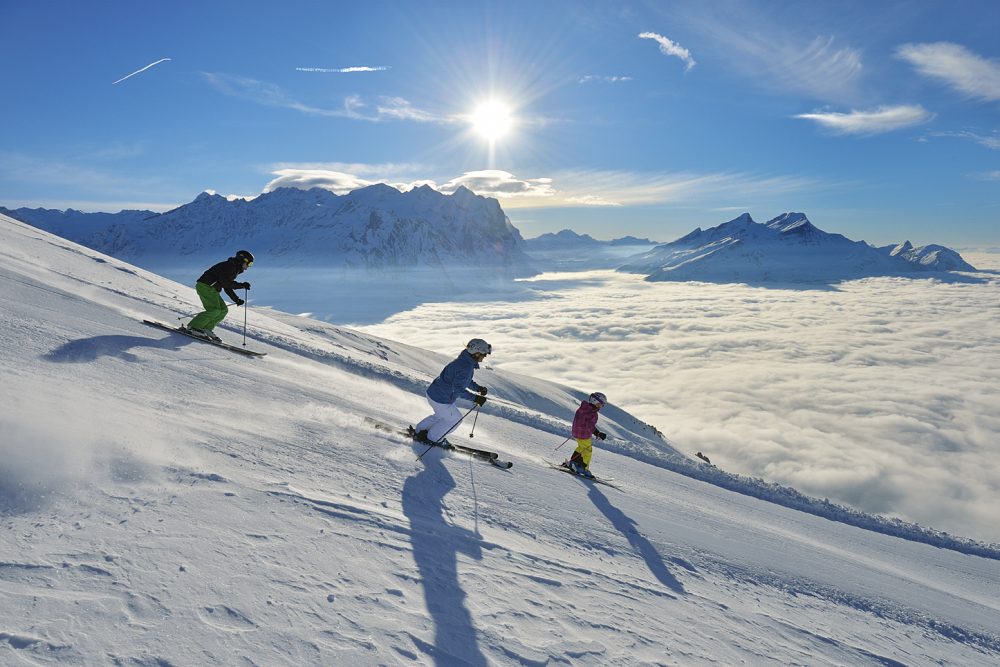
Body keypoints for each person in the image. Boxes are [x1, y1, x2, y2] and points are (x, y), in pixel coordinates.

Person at [411, 339, 491, 446]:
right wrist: (475, 398)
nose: (484, 357)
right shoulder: (465, 367)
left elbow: (463, 380)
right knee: (455, 419)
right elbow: (458, 389)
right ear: (476, 353)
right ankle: (433, 438)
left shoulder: (464, 361)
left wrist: (478, 388)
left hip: (435, 393)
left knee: (441, 415)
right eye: (483, 354)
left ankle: (420, 431)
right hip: (442, 399)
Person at [185, 250, 254, 342]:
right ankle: (193, 327)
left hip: (211, 288)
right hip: (206, 286)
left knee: (223, 310)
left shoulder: (234, 268)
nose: (248, 267)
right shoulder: (230, 266)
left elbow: (227, 286)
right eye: (249, 264)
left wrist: (236, 299)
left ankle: (206, 328)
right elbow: (226, 283)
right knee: (215, 310)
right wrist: (241, 285)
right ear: (243, 260)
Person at [565, 392, 607, 478]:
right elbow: (589, 425)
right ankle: (583, 468)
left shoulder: (584, 408)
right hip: (584, 434)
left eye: (602, 405)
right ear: (595, 401)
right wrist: (598, 433)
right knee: (588, 450)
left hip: (576, 432)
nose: (600, 407)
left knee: (581, 448)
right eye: (600, 404)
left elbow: (582, 421)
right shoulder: (592, 412)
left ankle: (573, 463)